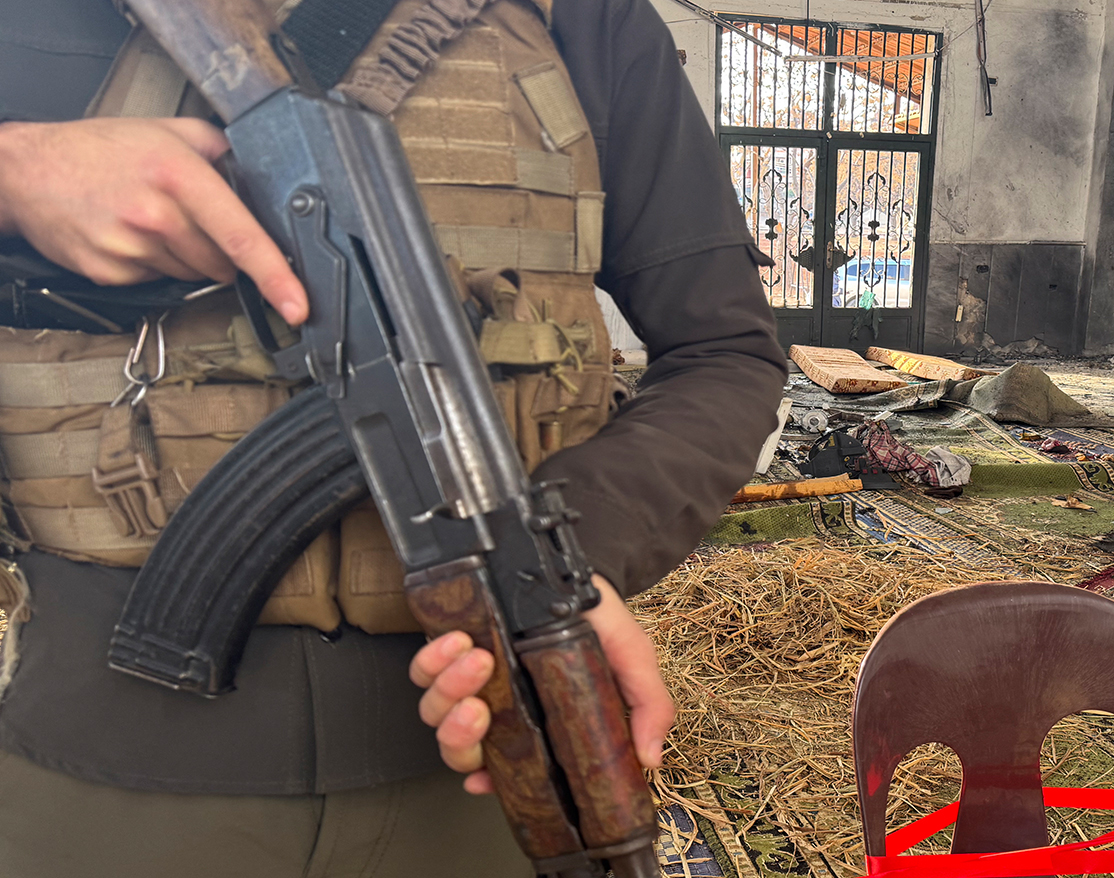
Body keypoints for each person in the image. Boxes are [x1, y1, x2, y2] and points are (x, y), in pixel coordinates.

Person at [0, 0, 786, 874]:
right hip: (88, 774)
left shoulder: (585, 16)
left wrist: (569, 560)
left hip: (478, 763)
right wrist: (13, 173)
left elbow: (726, 350)